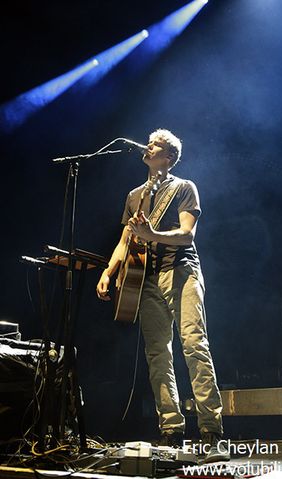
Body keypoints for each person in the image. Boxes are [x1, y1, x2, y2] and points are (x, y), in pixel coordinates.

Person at [96, 129, 230, 462]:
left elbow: (186, 235)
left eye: (155, 145)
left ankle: (212, 431)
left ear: (168, 157)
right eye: (149, 142)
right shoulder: (134, 196)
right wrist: (108, 272)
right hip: (145, 280)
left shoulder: (183, 188)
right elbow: (126, 241)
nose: (148, 146)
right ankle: (171, 430)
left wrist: (152, 233)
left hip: (181, 270)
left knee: (193, 344)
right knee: (158, 354)